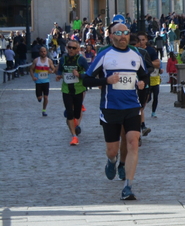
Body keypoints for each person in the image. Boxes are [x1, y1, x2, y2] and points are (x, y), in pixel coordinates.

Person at [85, 19, 148, 201]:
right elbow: (87, 79)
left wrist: (142, 85)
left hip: (132, 107)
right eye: (118, 33)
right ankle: (112, 161)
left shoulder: (136, 55)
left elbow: (144, 77)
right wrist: (106, 81)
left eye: (126, 32)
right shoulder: (104, 55)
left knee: (133, 142)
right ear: (111, 36)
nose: (123, 36)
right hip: (110, 108)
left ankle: (128, 186)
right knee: (112, 150)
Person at [56, 39, 87, 146]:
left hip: (78, 89)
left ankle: (75, 123)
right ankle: (74, 136)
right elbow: (60, 70)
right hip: (66, 89)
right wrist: (59, 75)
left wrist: (80, 74)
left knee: (77, 113)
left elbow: (89, 72)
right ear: (66, 48)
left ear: (78, 49)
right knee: (69, 112)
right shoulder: (63, 59)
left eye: (74, 48)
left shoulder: (81, 60)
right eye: (69, 47)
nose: (71, 50)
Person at [135, 32, 160, 130]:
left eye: (143, 40)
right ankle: (141, 125)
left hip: (148, 80)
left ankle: (141, 123)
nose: (141, 42)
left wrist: (143, 65)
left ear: (146, 40)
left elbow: (157, 64)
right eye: (139, 40)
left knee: (145, 101)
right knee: (138, 105)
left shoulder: (149, 51)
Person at [31, 46, 54, 115]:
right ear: (39, 52)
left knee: (46, 97)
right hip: (38, 82)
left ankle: (44, 110)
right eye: (42, 51)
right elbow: (31, 69)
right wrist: (33, 77)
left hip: (46, 81)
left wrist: (51, 71)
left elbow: (53, 69)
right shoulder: (36, 60)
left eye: (44, 51)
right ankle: (39, 98)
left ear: (46, 52)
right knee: (39, 98)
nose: (43, 53)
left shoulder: (49, 61)